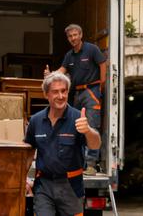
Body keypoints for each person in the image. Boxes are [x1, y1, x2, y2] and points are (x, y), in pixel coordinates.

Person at [24, 72, 101, 216]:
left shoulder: (78, 118)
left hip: (71, 186)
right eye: (55, 92)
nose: (61, 96)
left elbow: (95, 145)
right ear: (46, 94)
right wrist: (23, 179)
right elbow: (28, 152)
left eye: (64, 91)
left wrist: (88, 131)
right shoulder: (36, 120)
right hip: (44, 186)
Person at [43, 24, 107, 175]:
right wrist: (50, 74)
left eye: (75, 35)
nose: (73, 38)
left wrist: (102, 84)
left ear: (81, 34)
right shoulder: (69, 56)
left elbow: (103, 64)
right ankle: (79, 163)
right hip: (76, 94)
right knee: (76, 127)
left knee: (91, 125)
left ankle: (90, 165)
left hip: (91, 91)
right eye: (70, 36)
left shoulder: (92, 49)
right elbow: (61, 71)